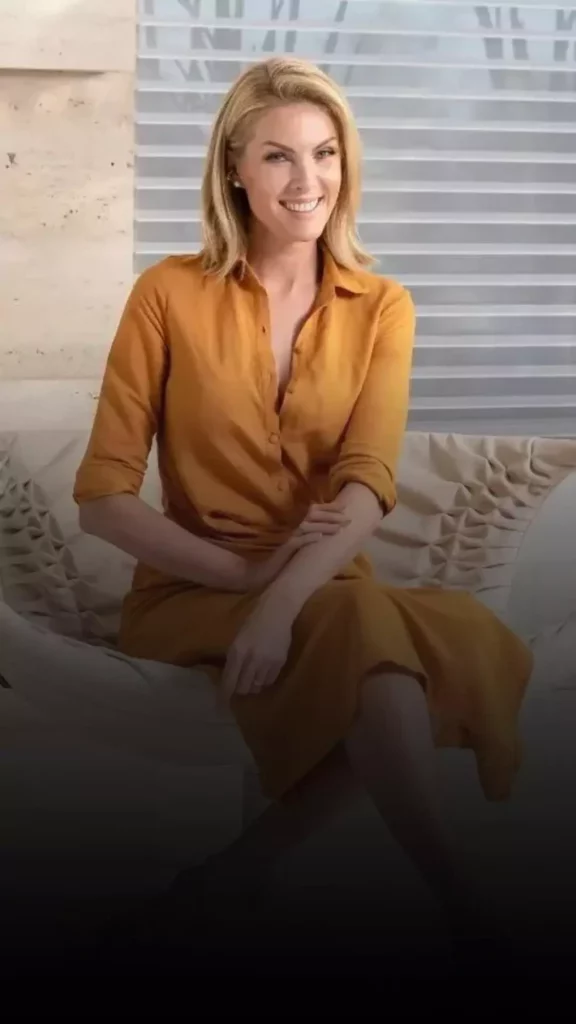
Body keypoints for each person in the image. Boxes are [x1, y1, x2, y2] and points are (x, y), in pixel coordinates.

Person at [73, 57, 533, 938]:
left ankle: (229, 879)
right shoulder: (166, 294)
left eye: (325, 153)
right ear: (235, 169)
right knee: (390, 645)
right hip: (189, 591)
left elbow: (368, 482)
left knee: (393, 638)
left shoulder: (383, 306)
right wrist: (245, 580)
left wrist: (280, 601)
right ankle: (468, 909)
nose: (307, 180)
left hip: (324, 583)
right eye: (279, 156)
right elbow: (102, 499)